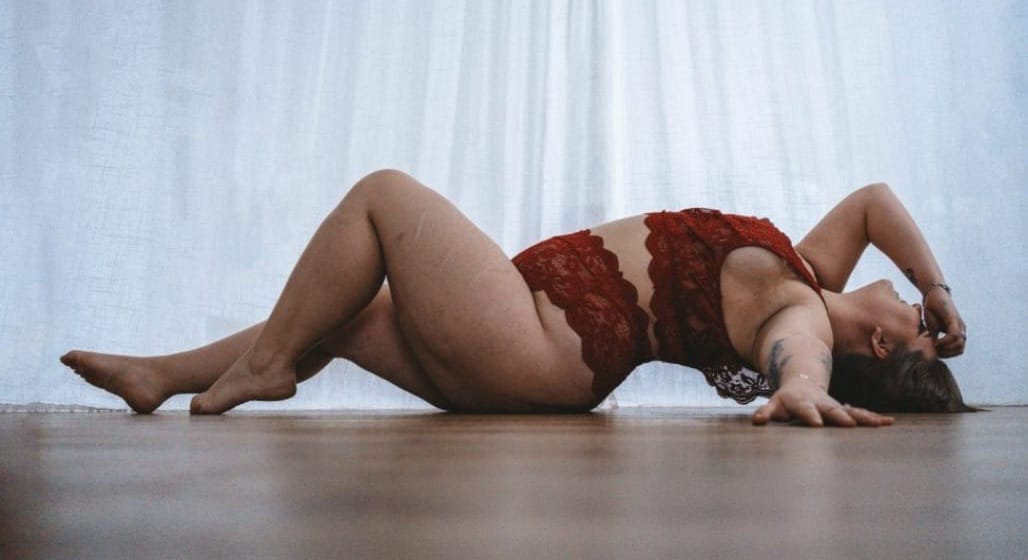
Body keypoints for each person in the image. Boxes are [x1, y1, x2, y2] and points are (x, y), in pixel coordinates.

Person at [59, 169, 972, 427]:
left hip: (538, 345)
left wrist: (803, 387)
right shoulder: (811, 270)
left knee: (384, 197)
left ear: (881, 347)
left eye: (921, 332)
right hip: (529, 343)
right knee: (341, 318)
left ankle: (264, 369)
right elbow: (875, 201)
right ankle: (160, 375)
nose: (923, 317)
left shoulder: (802, 313)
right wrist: (938, 291)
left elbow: (797, 357)